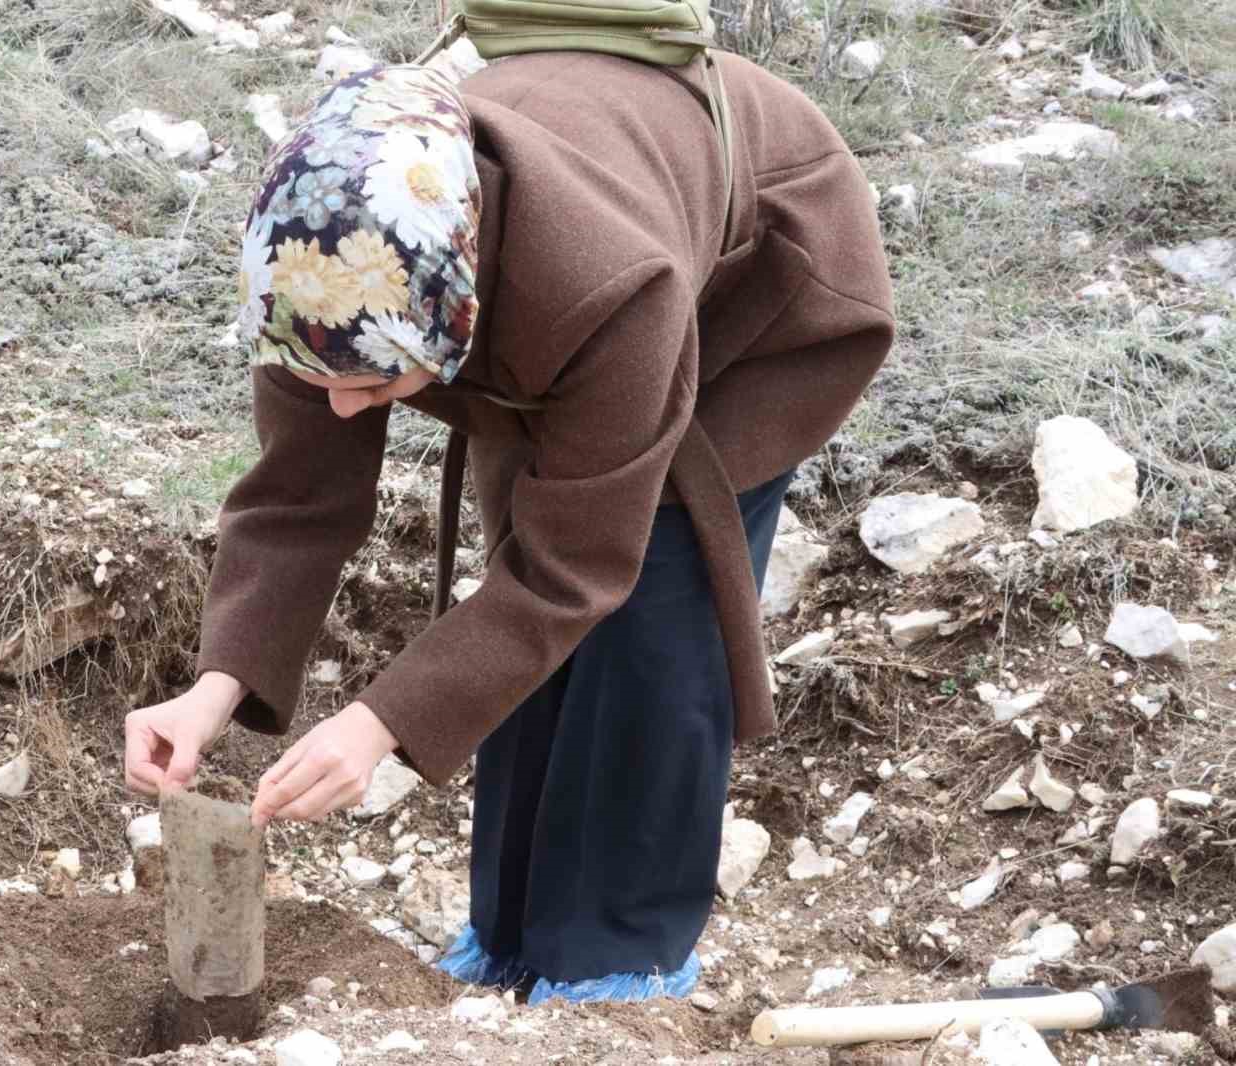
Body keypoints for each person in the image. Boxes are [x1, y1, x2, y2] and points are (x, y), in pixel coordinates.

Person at [124, 49, 893, 1003]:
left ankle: (618, 952)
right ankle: (508, 933)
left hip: (761, 291)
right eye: (320, 379)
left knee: (651, 594)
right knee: (516, 584)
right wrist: (214, 687)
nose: (345, 408)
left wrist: (378, 725)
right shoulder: (315, 273)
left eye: (372, 382)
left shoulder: (605, 289)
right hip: (557, 280)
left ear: (454, 309)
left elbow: (573, 571)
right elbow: (298, 499)